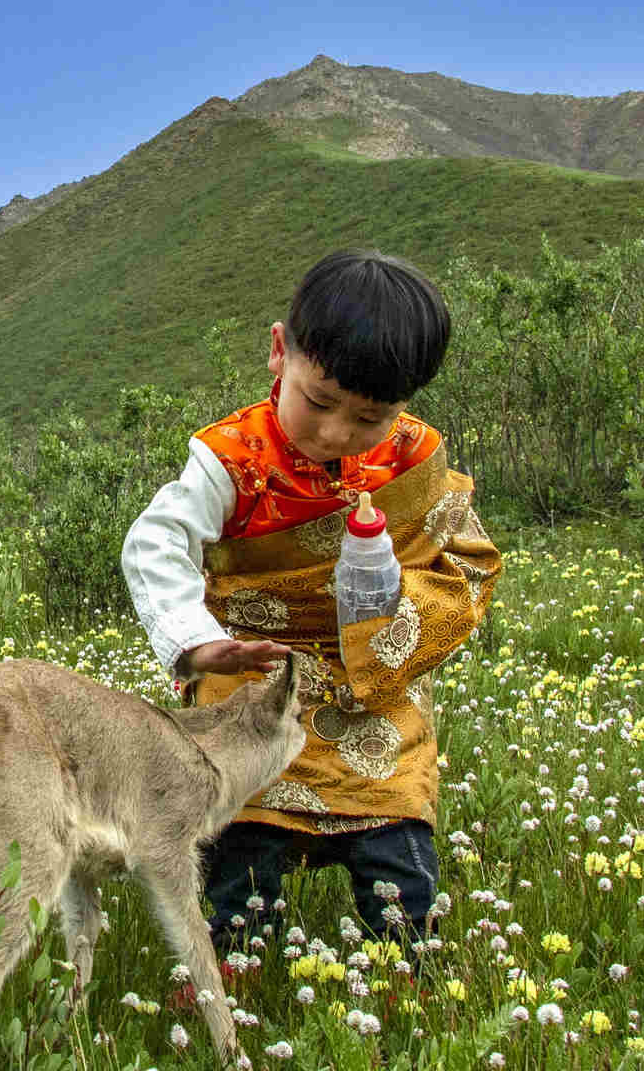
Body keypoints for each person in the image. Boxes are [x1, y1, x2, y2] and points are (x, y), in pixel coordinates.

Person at [121, 247, 501, 974]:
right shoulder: (230, 457)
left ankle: (407, 977)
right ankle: (230, 977)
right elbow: (155, 540)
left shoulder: (416, 459)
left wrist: (387, 628)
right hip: (257, 681)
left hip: (375, 692)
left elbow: (466, 560)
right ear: (278, 352)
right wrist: (195, 642)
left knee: (397, 847)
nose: (335, 434)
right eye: (318, 401)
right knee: (242, 850)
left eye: (370, 417)